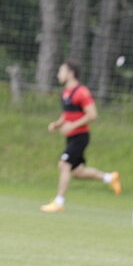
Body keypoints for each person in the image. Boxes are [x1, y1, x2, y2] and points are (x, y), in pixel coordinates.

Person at [41, 60, 121, 212]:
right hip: (71, 137)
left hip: (80, 136)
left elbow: (92, 114)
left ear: (70, 74)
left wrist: (72, 125)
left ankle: (59, 202)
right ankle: (110, 178)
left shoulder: (81, 92)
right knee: (77, 172)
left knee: (64, 165)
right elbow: (67, 114)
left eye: (61, 71)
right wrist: (58, 124)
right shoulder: (65, 92)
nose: (58, 74)